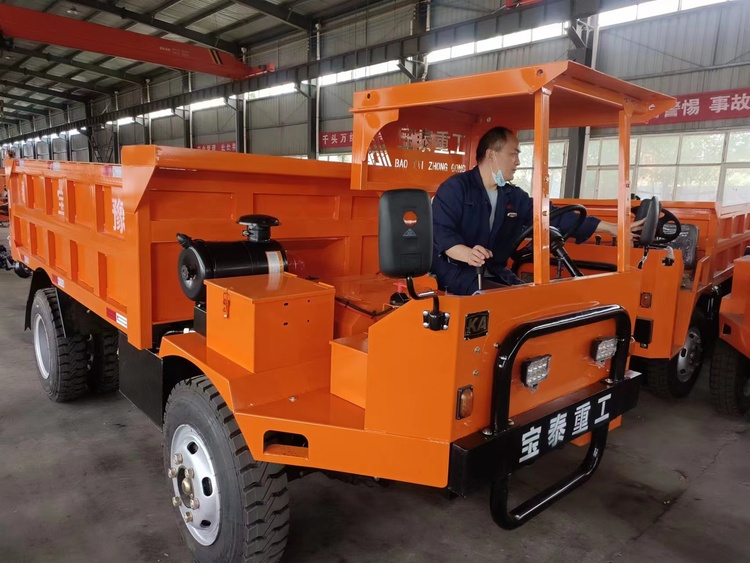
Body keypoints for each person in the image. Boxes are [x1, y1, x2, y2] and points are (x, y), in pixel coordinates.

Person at [431, 127, 642, 295]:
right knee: (508, 303)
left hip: (495, 271)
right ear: (491, 155)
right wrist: (467, 253)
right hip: (457, 273)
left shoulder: (512, 195)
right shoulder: (456, 188)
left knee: (533, 297)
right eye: (513, 154)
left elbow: (550, 217)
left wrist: (612, 228)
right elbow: (441, 233)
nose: (518, 162)